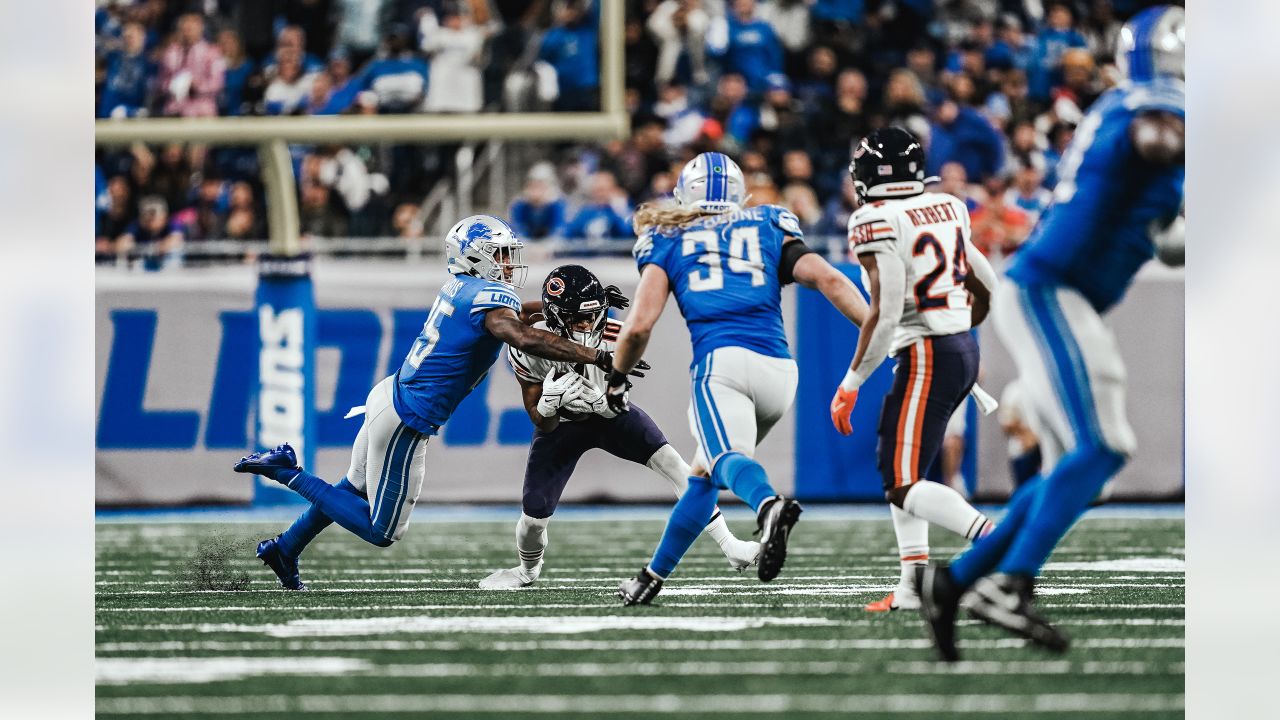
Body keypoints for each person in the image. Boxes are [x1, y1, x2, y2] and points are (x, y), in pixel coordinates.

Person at [916, 6, 1185, 661]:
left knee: (1083, 470)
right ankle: (1013, 583)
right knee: (1105, 445)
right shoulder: (1157, 107)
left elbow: (1171, 238)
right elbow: (1158, 139)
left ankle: (955, 584)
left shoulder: (1143, 108)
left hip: (1059, 294)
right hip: (1048, 290)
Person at [234, 215, 641, 590]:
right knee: (383, 531)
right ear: (476, 257)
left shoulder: (464, 286)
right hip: (408, 417)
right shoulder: (488, 297)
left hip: (391, 395)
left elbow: (513, 315)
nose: (507, 263)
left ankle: (284, 549)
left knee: (353, 488)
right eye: (499, 255)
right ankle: (288, 473)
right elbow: (520, 334)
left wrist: (570, 306)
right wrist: (598, 355)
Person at [608, 152, 870, 605]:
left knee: (725, 458)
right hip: (780, 374)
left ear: (684, 194)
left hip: (721, 366)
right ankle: (651, 576)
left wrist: (616, 378)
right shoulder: (769, 222)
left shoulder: (667, 237)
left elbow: (638, 326)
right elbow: (828, 279)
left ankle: (768, 505)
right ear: (738, 193)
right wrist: (879, 333)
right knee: (704, 474)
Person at [479, 265, 759, 589]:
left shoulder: (618, 334)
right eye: (576, 317)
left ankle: (731, 546)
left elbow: (618, 400)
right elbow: (540, 419)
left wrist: (606, 402)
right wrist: (548, 405)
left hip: (610, 415)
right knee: (532, 519)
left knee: (675, 465)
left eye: (593, 314)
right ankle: (527, 570)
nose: (587, 324)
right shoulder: (528, 345)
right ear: (554, 315)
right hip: (562, 427)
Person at [828, 127, 1000, 613]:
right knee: (905, 471)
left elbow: (883, 314)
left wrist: (852, 381)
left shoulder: (873, 218)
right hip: (955, 345)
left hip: (926, 351)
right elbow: (984, 278)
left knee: (901, 481)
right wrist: (962, 327)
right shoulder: (950, 206)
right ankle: (911, 584)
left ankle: (995, 542)